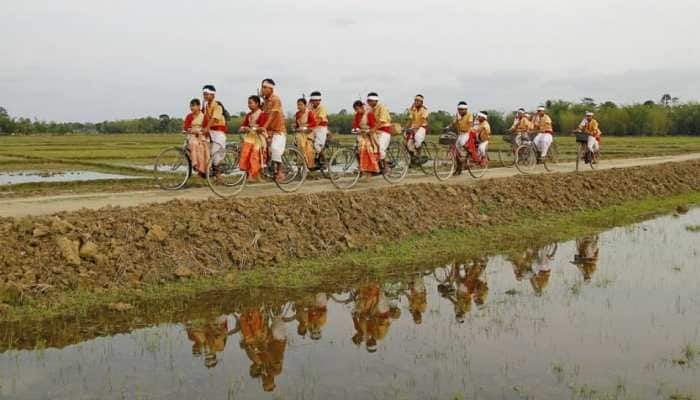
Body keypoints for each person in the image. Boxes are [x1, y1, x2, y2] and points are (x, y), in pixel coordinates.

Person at [260, 79, 287, 181]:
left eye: (264, 87)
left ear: (271, 88)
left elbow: (272, 115)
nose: (262, 89)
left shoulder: (276, 99)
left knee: (275, 148)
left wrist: (264, 127)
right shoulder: (265, 101)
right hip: (269, 131)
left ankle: (280, 171)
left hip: (278, 130)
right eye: (262, 87)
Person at [238, 95, 268, 180]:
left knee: (254, 155)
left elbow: (261, 128)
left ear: (257, 103)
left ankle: (254, 175)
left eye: (250, 103)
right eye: (248, 103)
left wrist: (249, 129)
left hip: (259, 137)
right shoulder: (249, 115)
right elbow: (244, 125)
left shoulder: (262, 114)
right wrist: (242, 128)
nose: (249, 105)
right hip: (250, 137)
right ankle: (250, 174)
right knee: (245, 153)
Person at [202, 85, 227, 178]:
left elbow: (213, 118)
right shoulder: (206, 106)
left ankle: (218, 175)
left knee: (215, 152)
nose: (204, 96)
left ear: (212, 95)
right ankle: (205, 171)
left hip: (218, 131)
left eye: (206, 94)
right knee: (205, 149)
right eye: (204, 94)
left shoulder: (217, 106)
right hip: (211, 131)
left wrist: (206, 128)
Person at [366, 92, 393, 174]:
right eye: (368, 101)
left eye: (370, 101)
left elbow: (381, 121)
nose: (369, 102)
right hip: (375, 131)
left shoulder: (382, 107)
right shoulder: (370, 109)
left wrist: (373, 129)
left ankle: (386, 166)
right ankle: (374, 166)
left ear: (375, 100)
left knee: (380, 148)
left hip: (384, 131)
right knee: (367, 146)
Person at [182, 98, 209, 177]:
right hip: (192, 136)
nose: (192, 108)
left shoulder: (203, 116)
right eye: (191, 106)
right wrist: (188, 130)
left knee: (201, 147)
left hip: (201, 136)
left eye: (193, 106)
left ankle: (202, 170)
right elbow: (185, 127)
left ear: (199, 106)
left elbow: (206, 129)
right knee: (194, 144)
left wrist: (200, 131)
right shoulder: (189, 116)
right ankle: (195, 165)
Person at [352, 100, 380, 175]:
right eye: (355, 110)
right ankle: (362, 167)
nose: (357, 111)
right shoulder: (357, 115)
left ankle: (371, 169)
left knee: (367, 148)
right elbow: (355, 124)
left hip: (370, 134)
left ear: (361, 107)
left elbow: (373, 126)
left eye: (357, 109)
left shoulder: (369, 113)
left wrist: (368, 131)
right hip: (361, 134)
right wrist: (356, 129)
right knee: (357, 149)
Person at [294, 97, 318, 169]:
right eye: (298, 105)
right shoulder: (297, 114)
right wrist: (295, 126)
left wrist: (306, 126)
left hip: (308, 133)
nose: (299, 106)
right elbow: (297, 124)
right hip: (300, 133)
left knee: (309, 149)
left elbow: (313, 123)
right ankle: (299, 168)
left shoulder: (309, 113)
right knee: (299, 147)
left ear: (305, 105)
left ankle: (310, 165)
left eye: (301, 105)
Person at [405, 94, 429, 161]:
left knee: (418, 140)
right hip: (413, 128)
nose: (416, 102)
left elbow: (423, 120)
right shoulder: (413, 109)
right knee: (408, 144)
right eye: (415, 100)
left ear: (421, 102)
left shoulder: (424, 110)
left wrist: (417, 128)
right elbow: (410, 120)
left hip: (422, 127)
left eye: (418, 101)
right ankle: (413, 159)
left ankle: (419, 156)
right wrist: (405, 128)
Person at [308, 91, 329, 167]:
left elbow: (319, 120)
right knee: (306, 141)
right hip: (313, 128)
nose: (315, 102)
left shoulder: (322, 108)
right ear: (311, 101)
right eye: (313, 101)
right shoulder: (309, 107)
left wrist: (310, 127)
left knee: (317, 146)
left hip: (321, 128)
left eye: (317, 101)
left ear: (320, 100)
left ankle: (325, 161)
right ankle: (312, 160)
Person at [452, 101, 473, 174]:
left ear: (465, 109)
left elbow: (470, 124)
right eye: (459, 109)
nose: (460, 111)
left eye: (461, 109)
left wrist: (469, 132)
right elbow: (454, 124)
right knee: (456, 151)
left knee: (462, 143)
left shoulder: (469, 115)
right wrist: (452, 124)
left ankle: (468, 154)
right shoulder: (457, 115)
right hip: (460, 133)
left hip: (467, 132)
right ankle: (459, 167)